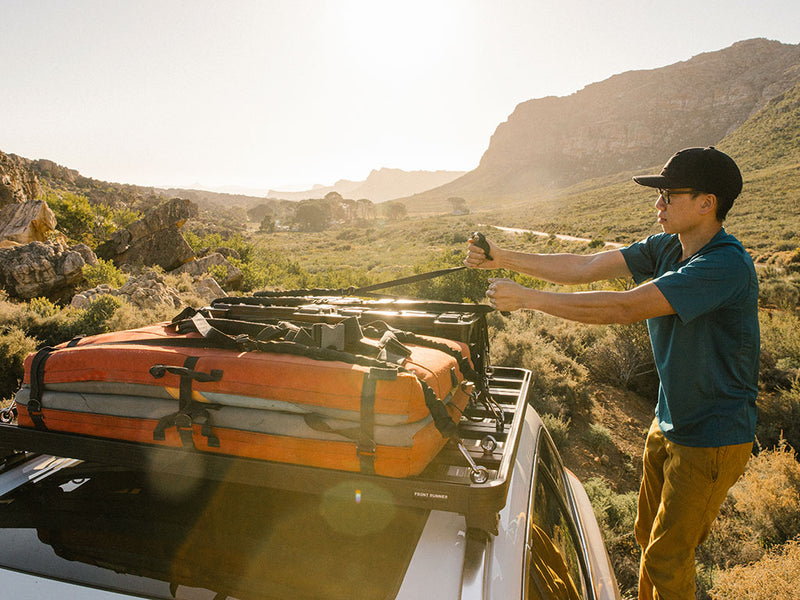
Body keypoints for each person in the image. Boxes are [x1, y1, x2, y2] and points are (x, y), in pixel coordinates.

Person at [464, 147, 759, 600]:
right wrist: (501, 256)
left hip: (712, 436)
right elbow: (585, 266)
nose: (658, 204)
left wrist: (530, 299)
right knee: (647, 535)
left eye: (669, 195)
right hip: (671, 420)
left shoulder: (724, 265)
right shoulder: (667, 246)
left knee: (667, 559)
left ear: (707, 203)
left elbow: (624, 307)